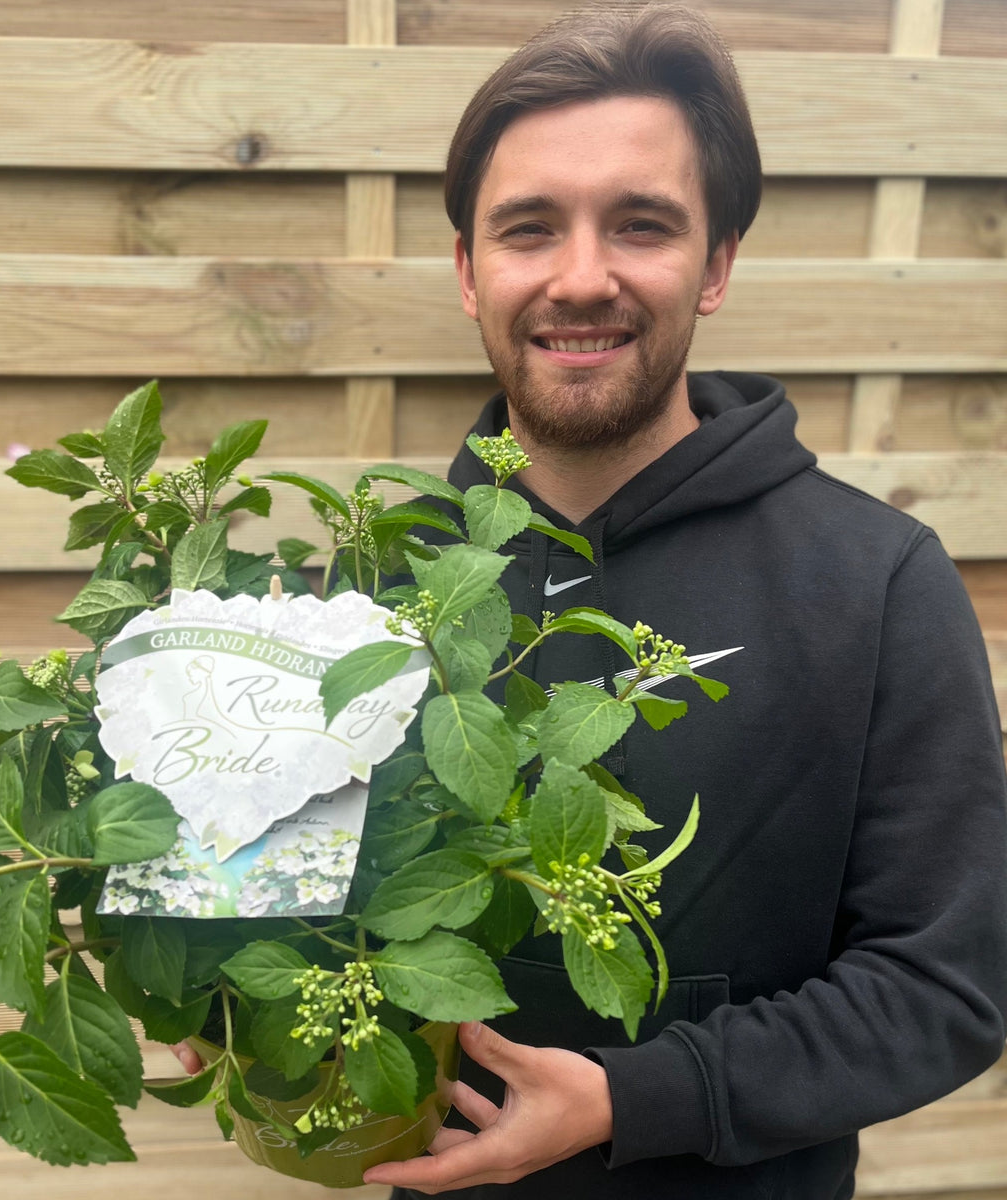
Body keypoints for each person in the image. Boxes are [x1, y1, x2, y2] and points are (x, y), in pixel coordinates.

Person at [352, 5, 1007, 1198]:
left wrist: (637, 1097)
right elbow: (306, 900)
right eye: (529, 229)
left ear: (714, 266)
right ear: (467, 273)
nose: (582, 276)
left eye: (641, 225)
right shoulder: (374, 587)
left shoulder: (879, 584)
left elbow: (947, 988)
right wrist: (218, 974)